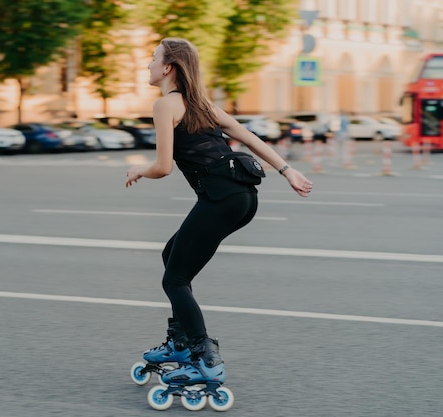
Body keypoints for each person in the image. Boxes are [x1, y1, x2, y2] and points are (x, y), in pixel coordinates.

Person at [125, 38, 313, 386]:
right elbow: (248, 137)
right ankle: (180, 342)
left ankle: (202, 356)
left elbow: (164, 166)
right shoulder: (201, 105)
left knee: (174, 279)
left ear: (167, 68)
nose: (148, 66)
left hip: (221, 198)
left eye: (153, 59)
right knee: (172, 255)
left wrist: (139, 170)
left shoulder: (166, 106)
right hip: (242, 198)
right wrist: (288, 171)